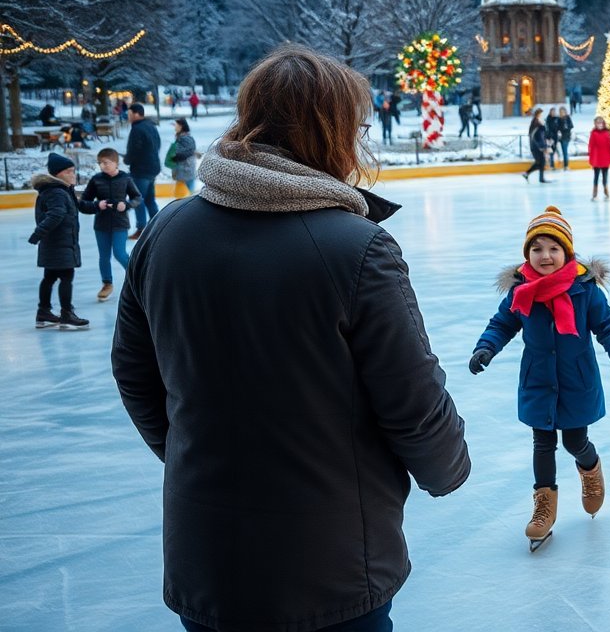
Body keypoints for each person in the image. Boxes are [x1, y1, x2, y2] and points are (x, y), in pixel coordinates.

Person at [110, 43, 471, 632]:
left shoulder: (165, 231)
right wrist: (447, 471)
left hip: (206, 550)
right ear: (332, 131)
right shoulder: (356, 248)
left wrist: (191, 456)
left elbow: (135, 373)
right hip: (328, 560)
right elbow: (412, 400)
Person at [468, 206, 610, 549]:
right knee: (542, 443)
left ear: (566, 253)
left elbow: (608, 327)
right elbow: (502, 324)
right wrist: (485, 348)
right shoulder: (520, 290)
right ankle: (543, 508)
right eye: (537, 248)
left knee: (575, 441)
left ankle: (590, 469)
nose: (545, 255)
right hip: (538, 381)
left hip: (576, 381)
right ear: (527, 254)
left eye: (553, 248)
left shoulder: (585, 289)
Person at [29, 152, 89, 330]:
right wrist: (37, 233)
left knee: (49, 277)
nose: (73, 174)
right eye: (69, 171)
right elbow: (56, 214)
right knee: (66, 276)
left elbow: (79, 207)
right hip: (59, 243)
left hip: (54, 243)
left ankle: (44, 312)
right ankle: (66, 313)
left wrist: (99, 206)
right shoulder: (57, 192)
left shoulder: (58, 191)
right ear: (58, 174)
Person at [79, 148, 142, 302]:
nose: (102, 166)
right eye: (100, 163)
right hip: (101, 224)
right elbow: (83, 203)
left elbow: (137, 197)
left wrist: (126, 205)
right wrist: (96, 205)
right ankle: (107, 284)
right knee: (104, 256)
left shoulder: (125, 179)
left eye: (106, 163)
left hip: (120, 223)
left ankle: (138, 280)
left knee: (119, 253)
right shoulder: (96, 180)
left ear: (115, 163)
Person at [124, 102, 160, 239]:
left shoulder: (137, 129)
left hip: (142, 169)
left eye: (129, 114)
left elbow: (135, 149)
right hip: (152, 167)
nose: (127, 117)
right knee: (150, 198)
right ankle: (158, 225)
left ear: (136, 114)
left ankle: (141, 229)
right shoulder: (150, 125)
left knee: (138, 199)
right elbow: (158, 144)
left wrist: (127, 160)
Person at [168, 118, 198, 198]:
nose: (175, 127)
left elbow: (186, 152)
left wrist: (174, 156)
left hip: (185, 170)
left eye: (176, 125)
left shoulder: (185, 138)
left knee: (183, 196)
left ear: (181, 126)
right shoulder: (184, 137)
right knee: (187, 195)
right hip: (185, 170)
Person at [587, 115, 610, 200]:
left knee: (605, 176)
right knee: (596, 176)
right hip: (597, 158)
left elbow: (609, 146)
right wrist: (591, 159)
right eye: (598, 123)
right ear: (595, 124)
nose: (600, 125)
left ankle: (606, 191)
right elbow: (590, 146)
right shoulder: (593, 133)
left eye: (601, 123)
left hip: (605, 158)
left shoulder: (607, 133)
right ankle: (595, 193)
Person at [523, 109, 549, 183]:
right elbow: (538, 137)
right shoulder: (536, 124)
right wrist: (542, 147)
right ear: (538, 115)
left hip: (536, 146)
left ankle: (529, 174)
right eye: (541, 114)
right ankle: (539, 178)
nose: (542, 116)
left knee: (540, 162)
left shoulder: (536, 123)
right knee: (540, 162)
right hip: (537, 147)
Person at [557, 106, 574, 170]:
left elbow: (571, 126)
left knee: (565, 152)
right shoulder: (559, 119)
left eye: (563, 111)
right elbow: (557, 127)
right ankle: (565, 165)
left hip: (566, 137)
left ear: (565, 112)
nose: (562, 113)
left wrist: (566, 127)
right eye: (561, 112)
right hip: (561, 137)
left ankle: (566, 165)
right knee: (564, 152)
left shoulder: (568, 118)